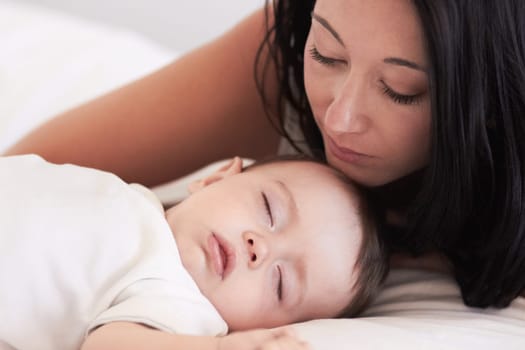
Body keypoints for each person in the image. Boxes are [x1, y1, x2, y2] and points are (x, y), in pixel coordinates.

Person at [4, 0, 524, 308]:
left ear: (498, 100)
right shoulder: (283, 49)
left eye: (400, 89)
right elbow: (31, 171)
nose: (338, 119)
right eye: (327, 54)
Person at [0, 154, 387, 350]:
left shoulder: (179, 304)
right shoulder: (137, 199)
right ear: (216, 177)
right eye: (269, 209)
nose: (260, 249)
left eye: (281, 283)